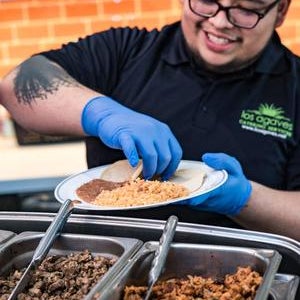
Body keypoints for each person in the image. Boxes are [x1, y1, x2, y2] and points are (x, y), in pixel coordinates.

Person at [1, 0, 299, 241]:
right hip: (110, 258)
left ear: (280, 10)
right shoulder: (127, 50)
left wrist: (244, 199)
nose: (220, 21)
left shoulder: (295, 87)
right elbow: (17, 83)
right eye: (207, 1)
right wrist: (101, 113)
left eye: (246, 9)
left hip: (239, 272)